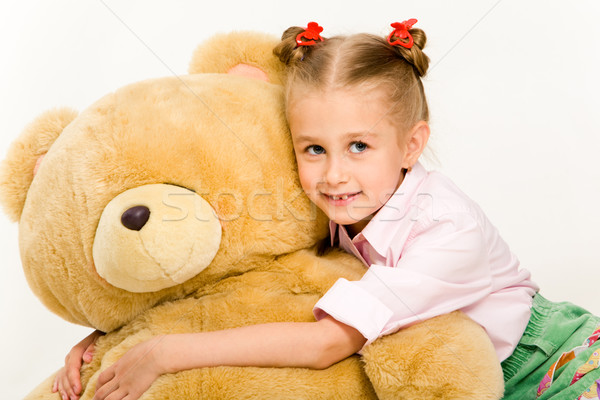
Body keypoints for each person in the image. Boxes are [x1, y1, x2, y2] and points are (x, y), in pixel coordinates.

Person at [52, 21, 600, 400]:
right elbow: (243, 280)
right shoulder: (331, 203)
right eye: (314, 148)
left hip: (550, 362)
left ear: (411, 146)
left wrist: (165, 351)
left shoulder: (447, 228)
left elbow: (325, 345)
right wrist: (117, 337)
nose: (334, 173)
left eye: (359, 146)